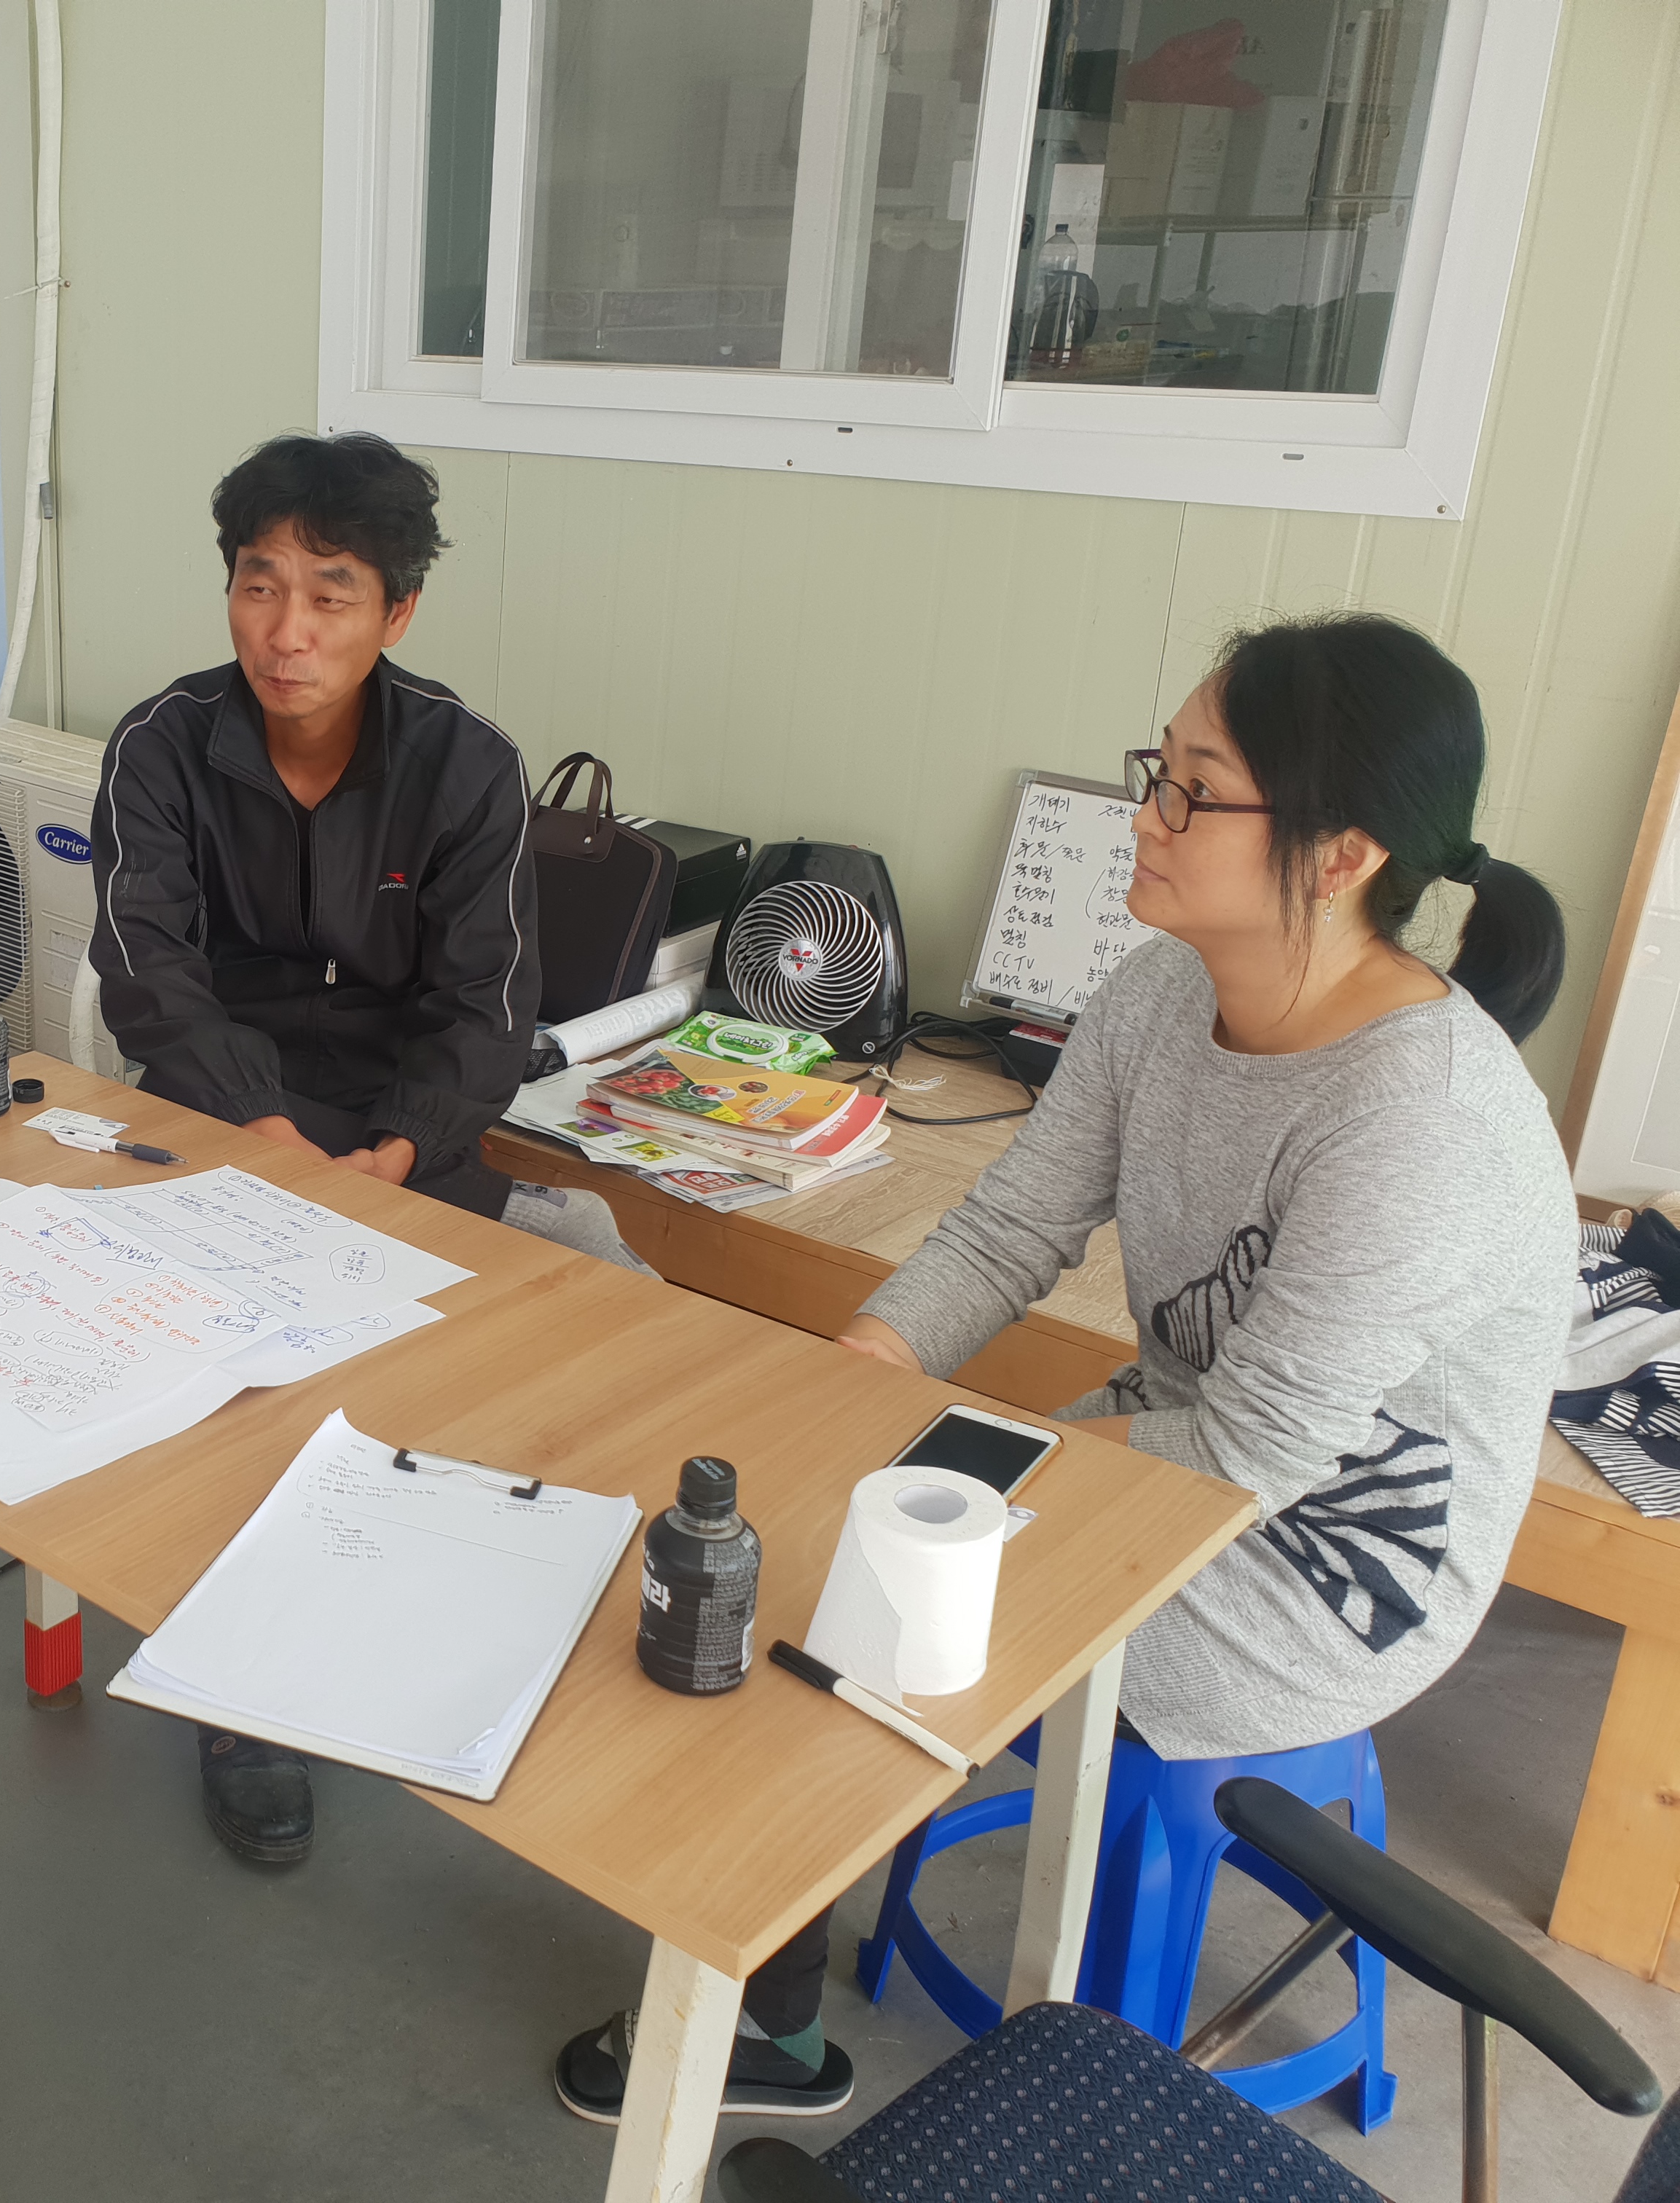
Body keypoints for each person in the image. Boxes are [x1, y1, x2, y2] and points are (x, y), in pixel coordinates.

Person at [550, 611, 1578, 2124]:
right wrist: (866, 1367)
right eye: (1158, 770)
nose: (1145, 818)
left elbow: (1253, 1459)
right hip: (1172, 1440)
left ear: (1344, 853)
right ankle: (770, 1988)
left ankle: (768, 2021)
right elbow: (1010, 1229)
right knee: (827, 1521)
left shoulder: (1421, 1122)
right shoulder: (1162, 992)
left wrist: (948, 1469)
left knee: (860, 1588)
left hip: (1335, 1563)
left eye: (1194, 792)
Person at [87, 430, 543, 1866]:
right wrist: (269, 1135)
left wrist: (397, 1154)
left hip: (408, 1122)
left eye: (330, 593)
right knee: (234, 1389)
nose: (286, 631)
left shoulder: (467, 766)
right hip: (222, 1107)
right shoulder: (161, 746)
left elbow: (488, 1006)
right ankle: (245, 1696)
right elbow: (146, 970)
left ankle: (412, 1622)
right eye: (259, 583)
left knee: (450, 1372)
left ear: (395, 614)